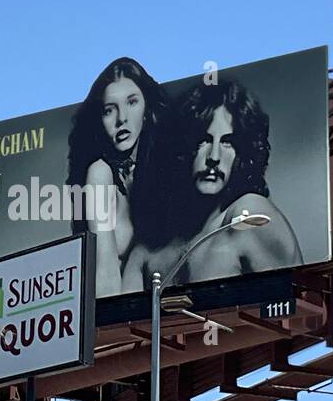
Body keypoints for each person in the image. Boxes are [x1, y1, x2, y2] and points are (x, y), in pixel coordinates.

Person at [122, 79, 302, 289]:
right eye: (203, 140)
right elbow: (116, 320)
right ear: (182, 147)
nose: (214, 157)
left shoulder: (248, 216)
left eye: (228, 142)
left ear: (242, 152)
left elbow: (299, 309)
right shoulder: (145, 253)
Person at [66, 58, 170, 295]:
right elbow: (105, 270)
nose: (121, 118)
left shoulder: (163, 165)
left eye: (132, 102)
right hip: (129, 319)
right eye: (109, 110)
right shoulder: (100, 174)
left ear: (147, 110)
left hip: (174, 311)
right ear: (99, 120)